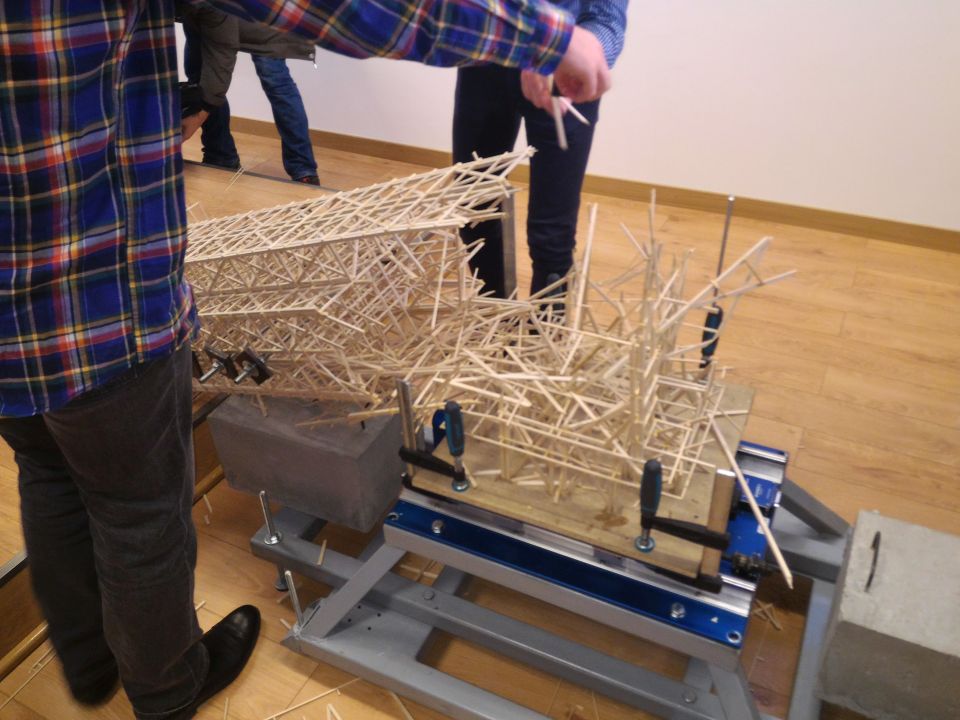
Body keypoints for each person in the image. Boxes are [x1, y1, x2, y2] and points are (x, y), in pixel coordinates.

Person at [0, 2, 609, 719]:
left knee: (49, 471)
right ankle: (168, 691)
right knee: (137, 511)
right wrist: (547, 36)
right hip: (101, 303)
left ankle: (89, 664)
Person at [454, 0, 627, 298]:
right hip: (484, 62)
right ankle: (495, 318)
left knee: (552, 237)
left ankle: (546, 328)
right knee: (475, 210)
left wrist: (567, 51)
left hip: (565, 73)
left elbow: (607, 18)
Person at [179, 5, 322, 184]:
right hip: (206, 16)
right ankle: (220, 156)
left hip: (263, 17)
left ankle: (303, 169)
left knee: (277, 85)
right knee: (203, 80)